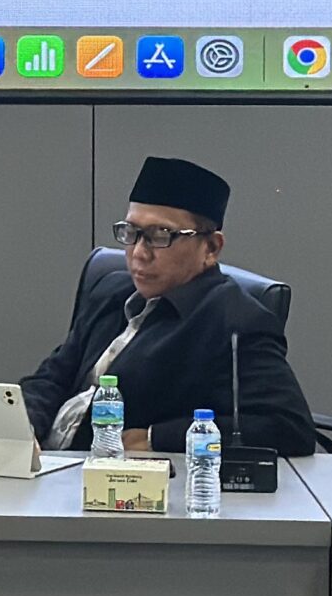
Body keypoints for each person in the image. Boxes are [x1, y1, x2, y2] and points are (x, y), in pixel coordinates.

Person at [20, 156, 314, 457]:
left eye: (160, 236)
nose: (139, 253)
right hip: (47, 464)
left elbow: (289, 428)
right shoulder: (110, 291)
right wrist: (24, 427)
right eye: (130, 233)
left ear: (211, 248)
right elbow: (52, 377)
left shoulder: (235, 320)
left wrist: (156, 438)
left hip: (114, 474)